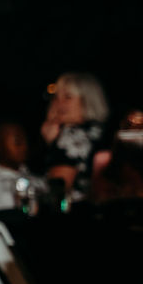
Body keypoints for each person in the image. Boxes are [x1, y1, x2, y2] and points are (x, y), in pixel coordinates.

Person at [40, 72, 110, 202]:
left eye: (68, 97)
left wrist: (53, 145)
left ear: (87, 100)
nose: (58, 104)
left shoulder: (72, 135)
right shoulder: (99, 131)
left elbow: (57, 189)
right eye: (55, 97)